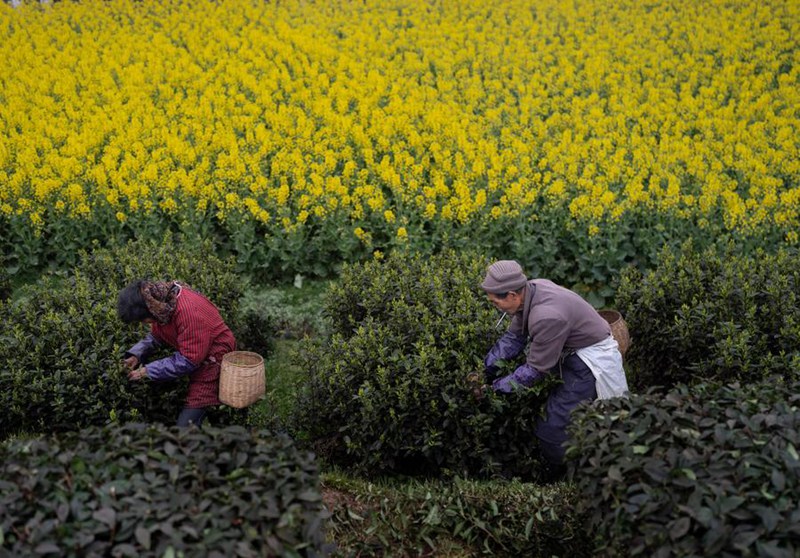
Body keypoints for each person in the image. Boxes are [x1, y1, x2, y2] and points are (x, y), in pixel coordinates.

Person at [480, 260, 628, 481]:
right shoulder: (530, 290)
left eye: (495, 302)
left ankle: (562, 479)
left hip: (588, 362)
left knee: (552, 429)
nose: (495, 306)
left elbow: (533, 372)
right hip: (570, 351)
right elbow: (513, 339)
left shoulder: (546, 316)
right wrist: (485, 371)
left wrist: (493, 389)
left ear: (512, 295)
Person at [117, 279, 236, 427]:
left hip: (214, 360)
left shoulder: (188, 314)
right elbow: (158, 335)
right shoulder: (162, 303)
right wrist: (136, 354)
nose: (144, 323)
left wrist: (147, 371)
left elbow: (188, 360)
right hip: (197, 351)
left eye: (142, 319)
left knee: (186, 426)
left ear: (150, 311)